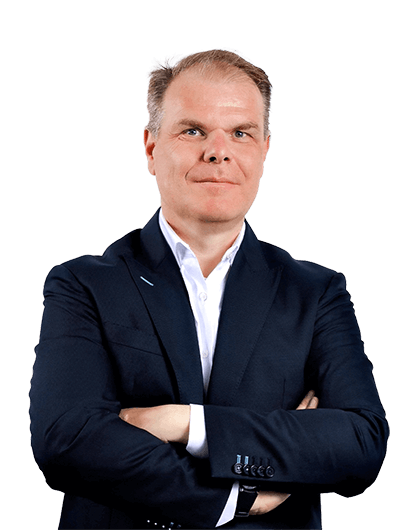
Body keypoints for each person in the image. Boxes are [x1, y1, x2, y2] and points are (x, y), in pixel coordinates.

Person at [30, 48, 389, 530]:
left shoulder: (316, 292)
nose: (218, 151)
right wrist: (238, 497)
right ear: (151, 147)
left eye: (240, 133)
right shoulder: (82, 284)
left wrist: (186, 424)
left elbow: (360, 444)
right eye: (193, 130)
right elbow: (66, 439)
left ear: (264, 150)